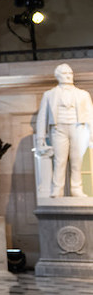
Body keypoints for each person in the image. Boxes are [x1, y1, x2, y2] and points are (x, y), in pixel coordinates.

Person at [35, 63, 93, 197]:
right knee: (59, 160)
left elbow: (91, 115)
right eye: (65, 74)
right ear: (58, 76)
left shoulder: (83, 94)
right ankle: (57, 189)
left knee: (77, 160)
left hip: (78, 128)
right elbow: (42, 117)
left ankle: (76, 188)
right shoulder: (49, 94)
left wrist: (92, 135)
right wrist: (40, 138)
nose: (68, 76)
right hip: (58, 128)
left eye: (70, 73)